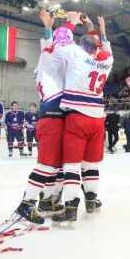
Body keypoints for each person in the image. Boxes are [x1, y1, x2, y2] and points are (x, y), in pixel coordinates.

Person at [51, 13, 113, 228]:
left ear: (81, 45)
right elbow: (104, 47)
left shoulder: (76, 53)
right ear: (97, 48)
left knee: (72, 165)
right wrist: (93, 26)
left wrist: (72, 21)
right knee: (91, 164)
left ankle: (69, 209)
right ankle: (91, 200)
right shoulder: (107, 61)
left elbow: (60, 36)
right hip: (97, 118)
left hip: (77, 115)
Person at [15, 8, 68, 224]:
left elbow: (50, 48)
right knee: (46, 165)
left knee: (56, 166)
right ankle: (25, 206)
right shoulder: (48, 61)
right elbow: (50, 47)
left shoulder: (45, 65)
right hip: (52, 120)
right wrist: (49, 28)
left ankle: (47, 201)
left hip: (54, 119)